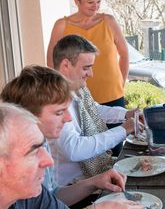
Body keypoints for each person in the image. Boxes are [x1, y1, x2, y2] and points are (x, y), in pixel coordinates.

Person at [0, 65, 144, 209]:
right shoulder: (13, 164)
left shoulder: (41, 145)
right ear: (28, 116)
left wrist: (94, 182)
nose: (69, 119)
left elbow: (52, 197)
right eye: (59, 112)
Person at [52, 34, 138, 186]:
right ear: (65, 65)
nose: (91, 74)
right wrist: (122, 131)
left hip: (92, 176)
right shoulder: (53, 98)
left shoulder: (75, 88)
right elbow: (74, 149)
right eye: (86, 68)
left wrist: (126, 114)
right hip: (72, 188)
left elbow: (93, 110)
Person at [46, 0, 128, 107]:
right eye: (90, 2)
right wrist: (59, 91)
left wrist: (121, 84)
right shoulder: (61, 25)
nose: (95, 6)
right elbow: (52, 62)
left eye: (98, 2)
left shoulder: (109, 21)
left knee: (121, 127)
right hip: (76, 97)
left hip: (112, 94)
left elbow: (124, 54)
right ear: (76, 1)